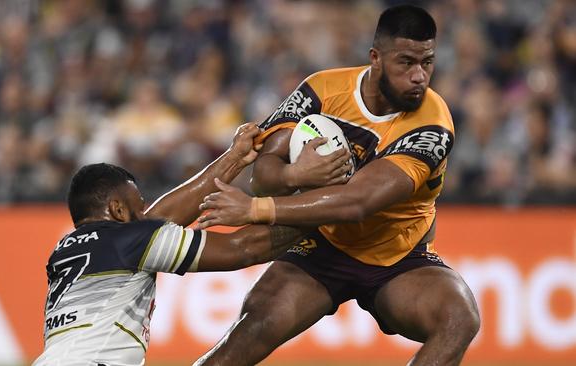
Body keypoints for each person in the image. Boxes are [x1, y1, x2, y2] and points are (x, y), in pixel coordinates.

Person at [195, 5, 480, 366]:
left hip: (398, 258)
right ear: (376, 58)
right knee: (244, 339)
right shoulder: (322, 90)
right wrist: (293, 177)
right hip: (321, 244)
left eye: (427, 62)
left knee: (459, 318)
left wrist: (253, 209)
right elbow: (263, 174)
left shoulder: (433, 126)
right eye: (406, 62)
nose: (419, 76)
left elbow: (358, 202)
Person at [32, 123, 351, 366]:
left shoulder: (68, 247)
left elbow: (159, 218)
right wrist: (323, 205)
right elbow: (244, 248)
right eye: (138, 205)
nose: (146, 213)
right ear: (117, 209)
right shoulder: (129, 241)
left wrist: (235, 158)